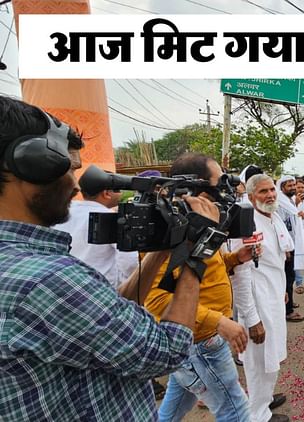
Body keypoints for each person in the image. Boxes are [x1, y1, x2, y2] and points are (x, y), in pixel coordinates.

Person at [0, 96, 209, 420]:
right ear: (30, 164)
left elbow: (111, 314)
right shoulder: (49, 280)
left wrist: (163, 250)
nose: (75, 184)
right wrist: (197, 251)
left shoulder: (28, 267)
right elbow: (165, 352)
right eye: (68, 169)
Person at [145, 153, 259, 422]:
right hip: (201, 343)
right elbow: (157, 300)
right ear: (196, 187)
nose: (226, 189)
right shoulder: (170, 227)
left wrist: (234, 259)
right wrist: (218, 321)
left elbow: (203, 268)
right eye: (219, 182)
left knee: (173, 409)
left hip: (195, 343)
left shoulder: (198, 219)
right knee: (235, 410)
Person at [233, 174, 293, 422]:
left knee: (272, 354)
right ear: (250, 196)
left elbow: (279, 259)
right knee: (257, 362)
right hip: (257, 302)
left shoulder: (273, 215)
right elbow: (240, 275)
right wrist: (252, 318)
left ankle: (265, 400)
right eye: (263, 192)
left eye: (272, 189)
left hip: (274, 297)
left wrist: (283, 290)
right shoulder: (246, 224)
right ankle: (257, 414)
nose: (270, 195)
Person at [54, 168, 138, 288]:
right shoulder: (111, 218)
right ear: (106, 193)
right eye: (118, 190)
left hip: (68, 286)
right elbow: (130, 262)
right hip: (103, 289)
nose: (121, 194)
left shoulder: (64, 212)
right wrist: (124, 285)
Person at [275, 175, 304, 322]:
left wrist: (296, 208)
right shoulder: (280, 202)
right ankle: (287, 310)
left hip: (291, 244)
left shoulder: (289, 201)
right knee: (287, 278)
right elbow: (281, 224)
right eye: (289, 185)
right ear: (282, 187)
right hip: (285, 247)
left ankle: (288, 303)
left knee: (290, 277)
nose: (293, 188)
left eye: (293, 185)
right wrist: (286, 248)